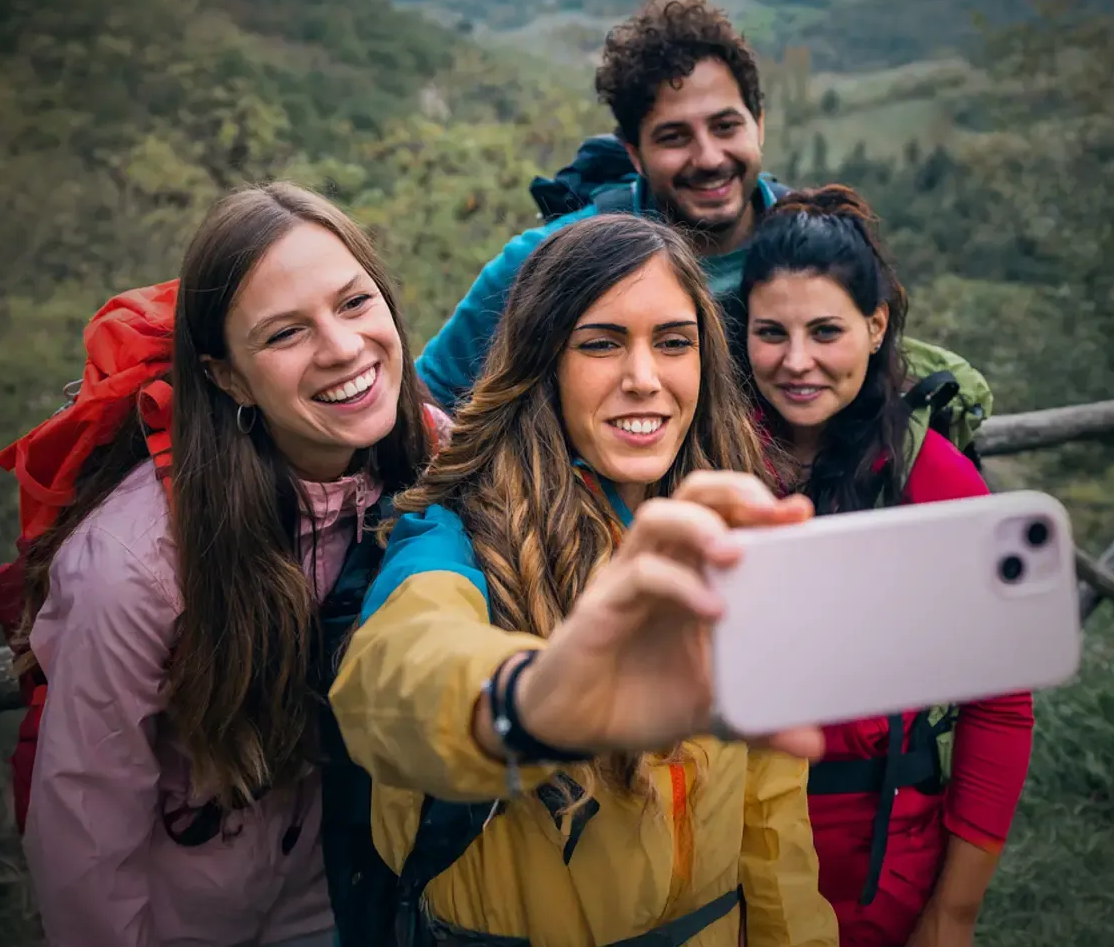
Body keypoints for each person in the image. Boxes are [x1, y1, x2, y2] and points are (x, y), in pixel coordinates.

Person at [330, 213, 840, 947]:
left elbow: (774, 822)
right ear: (544, 363)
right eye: (601, 344)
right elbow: (393, 676)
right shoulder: (458, 534)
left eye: (673, 343)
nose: (644, 379)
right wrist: (529, 704)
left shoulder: (729, 531)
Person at [12, 182, 447, 947]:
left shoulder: (427, 452)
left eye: (354, 303)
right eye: (285, 334)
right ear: (227, 376)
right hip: (186, 919)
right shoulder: (140, 561)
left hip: (346, 897)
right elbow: (85, 827)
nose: (343, 348)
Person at [735, 184, 1034, 947]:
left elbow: (998, 703)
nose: (796, 361)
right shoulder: (716, 461)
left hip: (877, 868)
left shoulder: (928, 479)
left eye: (825, 331)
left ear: (875, 327)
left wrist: (954, 911)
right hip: (721, 861)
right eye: (771, 332)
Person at [416, 0, 788, 413]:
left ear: (758, 125)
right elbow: (426, 400)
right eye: (674, 137)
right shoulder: (546, 262)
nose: (708, 158)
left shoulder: (822, 247)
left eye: (725, 127)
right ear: (635, 154)